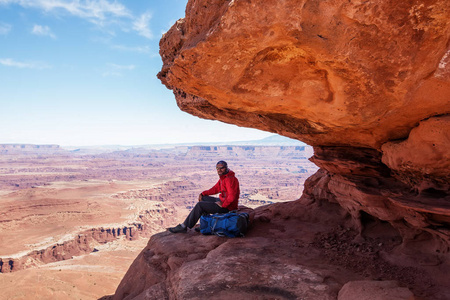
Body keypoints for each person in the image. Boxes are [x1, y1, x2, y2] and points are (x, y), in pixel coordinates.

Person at [168, 160, 240, 233]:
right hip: (224, 202)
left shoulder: (229, 179)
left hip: (228, 208)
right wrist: (203, 194)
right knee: (203, 198)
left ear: (226, 168)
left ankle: (184, 226)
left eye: (221, 168)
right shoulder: (223, 177)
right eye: (217, 168)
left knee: (200, 205)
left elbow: (232, 197)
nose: (219, 170)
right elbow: (215, 189)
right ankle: (205, 224)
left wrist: (224, 205)